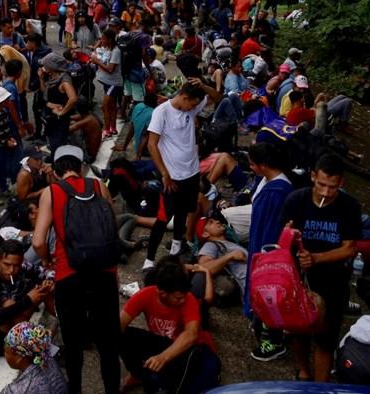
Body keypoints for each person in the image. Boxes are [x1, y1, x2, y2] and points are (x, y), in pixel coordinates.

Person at [32, 145, 120, 394]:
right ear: (80, 168)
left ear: (56, 172)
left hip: (69, 275)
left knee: (72, 343)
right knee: (108, 344)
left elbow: (38, 241)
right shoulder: (98, 187)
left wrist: (47, 259)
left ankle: (76, 390)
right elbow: (112, 230)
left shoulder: (51, 192)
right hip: (104, 273)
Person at [280, 154, 362, 382]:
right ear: (313, 176)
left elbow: (349, 249)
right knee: (299, 330)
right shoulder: (296, 200)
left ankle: (320, 385)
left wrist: (316, 258)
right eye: (321, 184)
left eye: (332, 187)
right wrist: (287, 235)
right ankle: (303, 372)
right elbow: (281, 242)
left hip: (333, 282)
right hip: (300, 280)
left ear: (341, 183)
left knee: (325, 339)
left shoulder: (349, 207)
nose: (326, 192)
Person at [145, 79, 220, 269]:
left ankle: (176, 247)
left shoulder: (190, 108)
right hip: (172, 177)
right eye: (192, 105)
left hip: (192, 173)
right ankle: (149, 259)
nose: (193, 110)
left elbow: (217, 97)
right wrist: (164, 173)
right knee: (163, 218)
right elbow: (152, 144)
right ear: (185, 97)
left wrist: (203, 86)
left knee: (183, 211)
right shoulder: (162, 112)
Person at [120, 257, 221, 393]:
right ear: (162, 294)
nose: (183, 300)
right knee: (122, 336)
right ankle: (137, 374)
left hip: (187, 349)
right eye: (178, 298)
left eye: (184, 296)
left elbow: (191, 334)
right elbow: (120, 323)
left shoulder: (189, 300)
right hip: (163, 342)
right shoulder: (145, 295)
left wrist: (163, 357)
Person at [244, 141, 294, 362]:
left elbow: (272, 229)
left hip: (267, 250)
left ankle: (272, 341)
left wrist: (265, 256)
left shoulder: (278, 192)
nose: (251, 168)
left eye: (252, 164)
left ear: (263, 165)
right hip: (258, 243)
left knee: (268, 295)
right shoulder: (267, 181)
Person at [0, 240, 53, 359]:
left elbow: (48, 273)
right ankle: (36, 346)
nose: (12, 270)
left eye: (16, 265)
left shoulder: (21, 265)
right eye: (7, 264)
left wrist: (48, 282)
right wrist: (28, 300)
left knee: (42, 288)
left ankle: (63, 324)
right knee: (9, 303)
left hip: (12, 317)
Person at [0, 321, 67, 394]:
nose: (5, 355)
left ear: (19, 358)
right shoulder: (47, 356)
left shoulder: (13, 391)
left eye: (6, 352)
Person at [0, 86, 24, 205]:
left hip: (4, 145)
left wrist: (10, 138)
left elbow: (6, 129)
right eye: (6, 99)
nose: (8, 101)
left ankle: (3, 189)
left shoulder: (4, 112)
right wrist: (5, 142)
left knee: (3, 167)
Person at [39, 53, 78, 153]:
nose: (43, 67)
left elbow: (73, 98)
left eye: (45, 65)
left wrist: (62, 112)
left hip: (59, 120)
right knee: (52, 141)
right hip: (50, 117)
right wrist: (41, 78)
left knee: (58, 144)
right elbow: (45, 93)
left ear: (51, 67)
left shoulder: (64, 81)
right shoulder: (52, 77)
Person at [91, 30, 123, 138]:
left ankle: (106, 129)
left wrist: (97, 61)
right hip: (107, 82)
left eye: (103, 39)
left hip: (113, 83)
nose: (101, 40)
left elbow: (110, 69)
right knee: (112, 106)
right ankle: (113, 128)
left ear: (110, 40)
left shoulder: (116, 51)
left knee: (105, 106)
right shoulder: (108, 49)